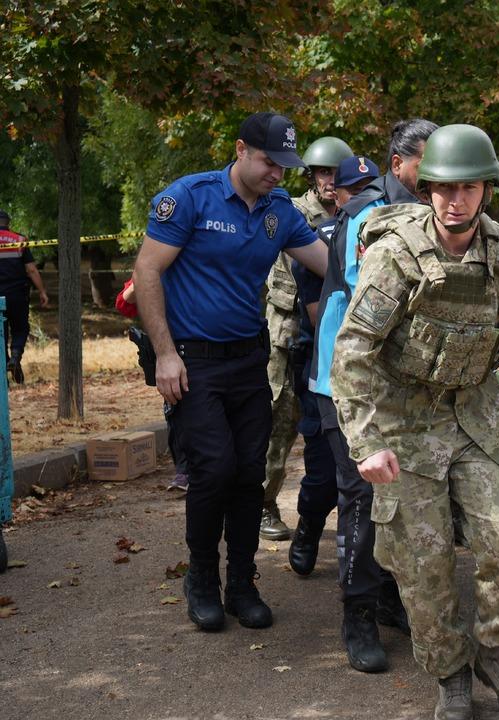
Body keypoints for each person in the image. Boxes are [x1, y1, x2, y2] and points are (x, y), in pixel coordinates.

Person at [332, 124, 499, 720]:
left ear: (488, 189)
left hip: (476, 419)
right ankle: (450, 674)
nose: (456, 200)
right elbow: (352, 352)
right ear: (427, 188)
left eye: (469, 188)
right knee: (421, 563)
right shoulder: (395, 256)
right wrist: (365, 443)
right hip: (405, 424)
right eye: (444, 188)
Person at [132, 112, 328, 633]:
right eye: (269, 162)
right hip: (191, 361)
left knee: (248, 473)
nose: (277, 175)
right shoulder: (190, 197)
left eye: (286, 167)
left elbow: (329, 265)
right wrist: (165, 354)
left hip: (248, 360)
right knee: (213, 470)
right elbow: (147, 270)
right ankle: (201, 579)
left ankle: (242, 583)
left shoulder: (278, 211)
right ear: (240, 150)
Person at [308, 119, 435, 674]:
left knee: (401, 494)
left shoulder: (434, 210)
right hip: (347, 382)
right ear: (400, 161)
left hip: (402, 385)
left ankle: (385, 595)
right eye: (429, 163)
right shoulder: (368, 210)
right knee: (361, 496)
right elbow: (381, 291)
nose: (441, 175)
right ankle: (356, 614)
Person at [261, 135, 355, 541]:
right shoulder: (293, 211)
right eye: (322, 172)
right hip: (288, 330)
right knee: (279, 420)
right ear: (312, 175)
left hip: (334, 333)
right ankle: (264, 506)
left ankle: (321, 511)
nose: (329, 180)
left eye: (335, 172)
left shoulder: (358, 212)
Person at [115, 278, 189, 492]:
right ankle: (184, 471)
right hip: (171, 350)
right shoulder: (158, 261)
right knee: (176, 410)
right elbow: (124, 305)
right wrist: (147, 274)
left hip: (206, 346)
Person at [0, 209, 49, 384]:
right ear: (8, 223)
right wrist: (42, 291)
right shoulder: (19, 240)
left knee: (1, 334)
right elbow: (31, 269)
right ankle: (15, 357)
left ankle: (4, 369)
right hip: (17, 294)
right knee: (20, 328)